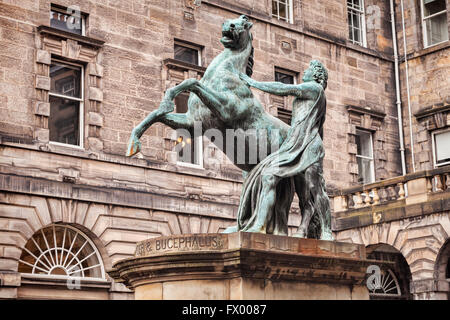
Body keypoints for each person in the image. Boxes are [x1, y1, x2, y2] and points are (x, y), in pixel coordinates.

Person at [233, 60, 333, 240]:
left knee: (314, 188)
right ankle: (259, 225)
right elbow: (320, 127)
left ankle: (326, 230)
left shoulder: (315, 89)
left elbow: (282, 88)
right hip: (294, 144)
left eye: (309, 70)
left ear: (317, 76)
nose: (306, 72)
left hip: (309, 145)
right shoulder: (311, 94)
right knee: (268, 175)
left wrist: (253, 83)